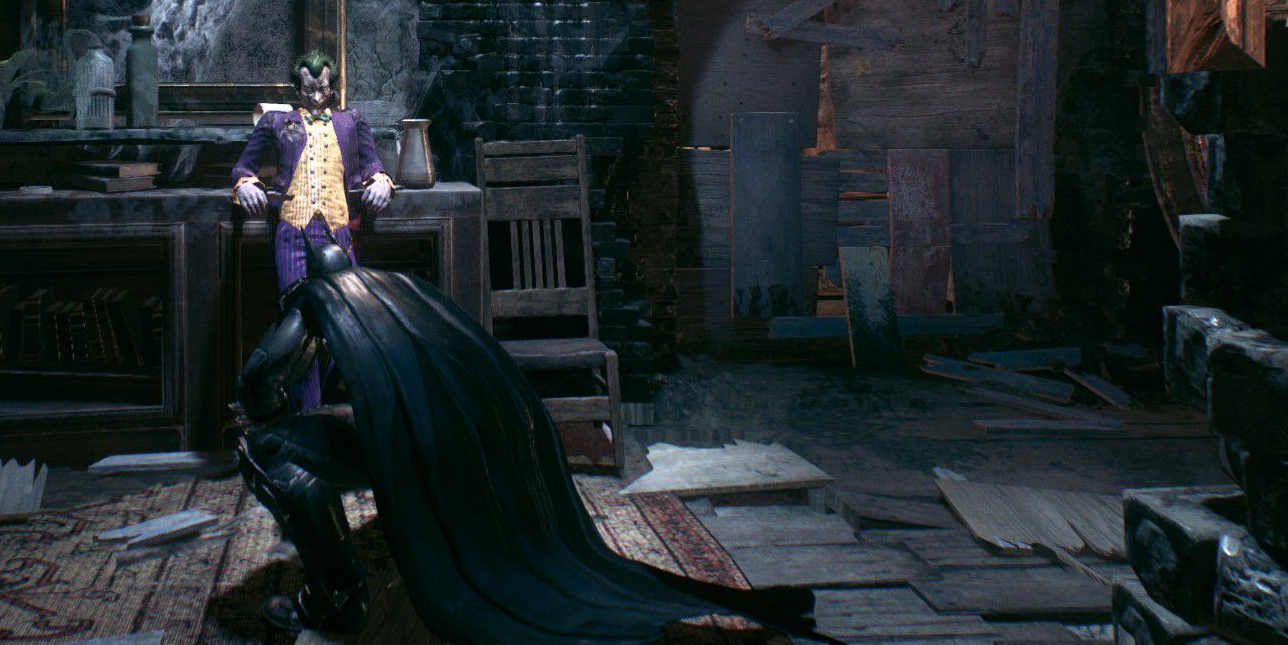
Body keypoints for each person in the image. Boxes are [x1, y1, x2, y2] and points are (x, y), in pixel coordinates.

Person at [232, 237, 836, 644]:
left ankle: (335, 602)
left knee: (261, 450)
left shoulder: (318, 296)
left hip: (419, 444)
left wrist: (282, 406)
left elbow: (256, 383)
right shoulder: (407, 290)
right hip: (475, 436)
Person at [230, 50, 394, 408]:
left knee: (347, 321)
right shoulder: (276, 122)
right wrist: (245, 185)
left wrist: (382, 182)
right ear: (297, 89)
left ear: (332, 87)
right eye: (308, 90)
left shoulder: (352, 122)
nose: (317, 97)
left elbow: (373, 165)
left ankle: (344, 413)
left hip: (338, 231)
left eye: (322, 90)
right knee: (298, 325)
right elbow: (243, 167)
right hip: (293, 229)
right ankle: (307, 415)